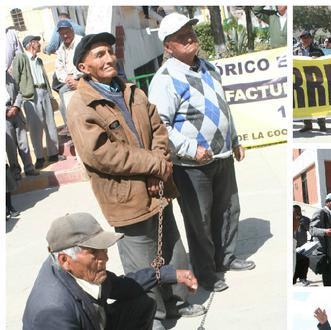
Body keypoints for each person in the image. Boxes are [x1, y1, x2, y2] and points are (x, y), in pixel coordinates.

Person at [66, 32, 204, 329]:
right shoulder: (81, 106)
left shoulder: (132, 91)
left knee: (171, 249)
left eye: (109, 51)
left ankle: (177, 301)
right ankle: (153, 317)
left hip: (159, 188)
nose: (108, 58)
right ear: (83, 66)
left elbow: (159, 132)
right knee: (142, 263)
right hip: (127, 198)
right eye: (99, 55)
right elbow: (102, 154)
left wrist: (159, 169)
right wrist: (154, 167)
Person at [147, 13, 255, 294]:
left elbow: (223, 108)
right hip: (191, 165)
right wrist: (191, 149)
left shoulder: (208, 67)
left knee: (229, 210)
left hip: (221, 156)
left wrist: (234, 140)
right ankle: (206, 274)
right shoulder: (165, 79)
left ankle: (226, 258)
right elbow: (161, 126)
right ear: (168, 46)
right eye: (182, 37)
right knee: (201, 220)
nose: (191, 38)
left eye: (191, 32)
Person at [22, 213, 199, 330]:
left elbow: (122, 286)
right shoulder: (53, 310)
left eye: (104, 249)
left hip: (95, 322)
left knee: (143, 303)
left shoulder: (79, 270)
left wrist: (171, 274)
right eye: (93, 252)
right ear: (65, 260)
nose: (105, 258)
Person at [12, 35, 64, 170]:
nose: (39, 44)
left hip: (44, 92)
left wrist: (50, 95)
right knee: (35, 127)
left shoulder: (39, 60)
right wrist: (18, 98)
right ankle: (40, 157)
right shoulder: (21, 58)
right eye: (37, 42)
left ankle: (53, 153)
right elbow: (16, 79)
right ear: (30, 44)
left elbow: (45, 78)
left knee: (50, 123)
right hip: (30, 95)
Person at [6, 69, 37, 179]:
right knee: (10, 148)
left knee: (23, 142)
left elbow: (19, 92)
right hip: (4, 117)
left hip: (16, 112)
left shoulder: (9, 76)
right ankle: (16, 173)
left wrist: (16, 106)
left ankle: (29, 168)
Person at [294, 30, 327, 133]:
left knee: (318, 101)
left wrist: (318, 59)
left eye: (307, 38)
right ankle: (307, 124)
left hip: (315, 81)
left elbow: (325, 62)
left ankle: (322, 124)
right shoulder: (295, 52)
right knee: (304, 103)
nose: (305, 40)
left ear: (311, 39)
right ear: (300, 39)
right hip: (301, 82)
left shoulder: (318, 51)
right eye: (303, 38)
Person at [54, 20, 83, 125]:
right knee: (63, 104)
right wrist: (66, 78)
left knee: (62, 93)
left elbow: (85, 61)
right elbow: (58, 68)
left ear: (72, 30)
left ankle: (70, 126)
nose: (65, 35)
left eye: (67, 32)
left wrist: (74, 76)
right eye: (62, 34)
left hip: (83, 76)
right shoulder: (61, 48)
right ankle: (70, 127)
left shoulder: (80, 42)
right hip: (69, 80)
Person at [293, 205, 311, 286]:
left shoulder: (305, 219)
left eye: (297, 211)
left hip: (303, 245)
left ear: (300, 211)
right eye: (294, 212)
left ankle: (303, 278)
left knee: (304, 262)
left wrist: (303, 223)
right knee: (294, 263)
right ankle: (294, 278)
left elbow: (310, 230)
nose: (296, 213)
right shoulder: (291, 219)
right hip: (293, 245)